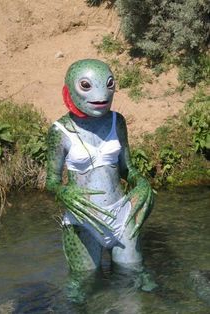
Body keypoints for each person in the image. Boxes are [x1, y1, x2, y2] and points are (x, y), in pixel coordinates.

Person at [46, 59, 154, 272]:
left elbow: (127, 169)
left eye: (109, 84)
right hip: (83, 220)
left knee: (135, 279)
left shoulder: (117, 121)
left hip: (121, 216)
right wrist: (63, 193)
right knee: (82, 288)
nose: (101, 96)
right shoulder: (59, 131)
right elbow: (52, 181)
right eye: (86, 86)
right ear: (69, 90)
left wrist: (141, 182)